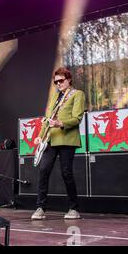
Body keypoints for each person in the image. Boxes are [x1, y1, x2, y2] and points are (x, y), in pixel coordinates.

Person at [32, 67, 85, 220]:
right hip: (51, 139)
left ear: (69, 79)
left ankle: (74, 209)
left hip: (67, 139)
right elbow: (47, 120)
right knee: (43, 171)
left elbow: (77, 119)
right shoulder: (55, 97)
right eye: (56, 82)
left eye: (61, 81)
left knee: (66, 173)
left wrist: (60, 123)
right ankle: (40, 208)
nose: (58, 84)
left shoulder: (78, 94)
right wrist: (40, 137)